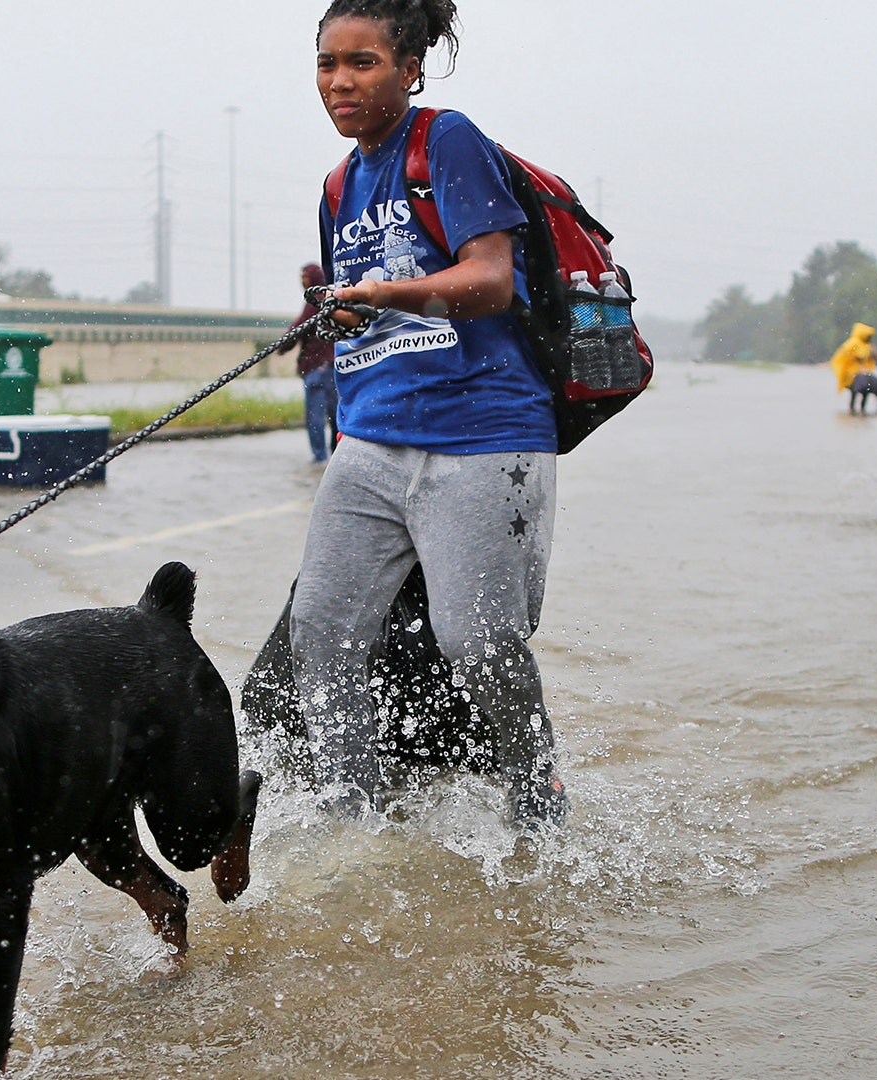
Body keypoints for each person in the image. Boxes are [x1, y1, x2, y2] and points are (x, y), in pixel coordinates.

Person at [291, 0, 567, 827]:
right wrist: (347, 313)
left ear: (410, 69)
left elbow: (489, 280)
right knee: (321, 635)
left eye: (363, 62)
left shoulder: (444, 141)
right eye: (327, 63)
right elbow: (368, 326)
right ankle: (356, 827)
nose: (339, 82)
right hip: (370, 443)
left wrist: (382, 293)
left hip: (483, 438)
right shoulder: (341, 183)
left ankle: (536, 803)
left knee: (480, 650)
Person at [276, 263, 340, 462]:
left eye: (305, 277)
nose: (302, 281)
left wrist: (282, 346)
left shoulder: (314, 303)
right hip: (334, 370)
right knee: (336, 417)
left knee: (315, 418)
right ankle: (335, 458)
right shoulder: (333, 301)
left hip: (317, 370)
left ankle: (320, 458)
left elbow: (299, 329)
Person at [828, 323, 876, 393]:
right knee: (858, 389)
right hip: (852, 374)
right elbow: (856, 356)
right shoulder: (854, 343)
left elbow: (870, 358)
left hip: (860, 374)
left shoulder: (866, 345)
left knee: (863, 389)